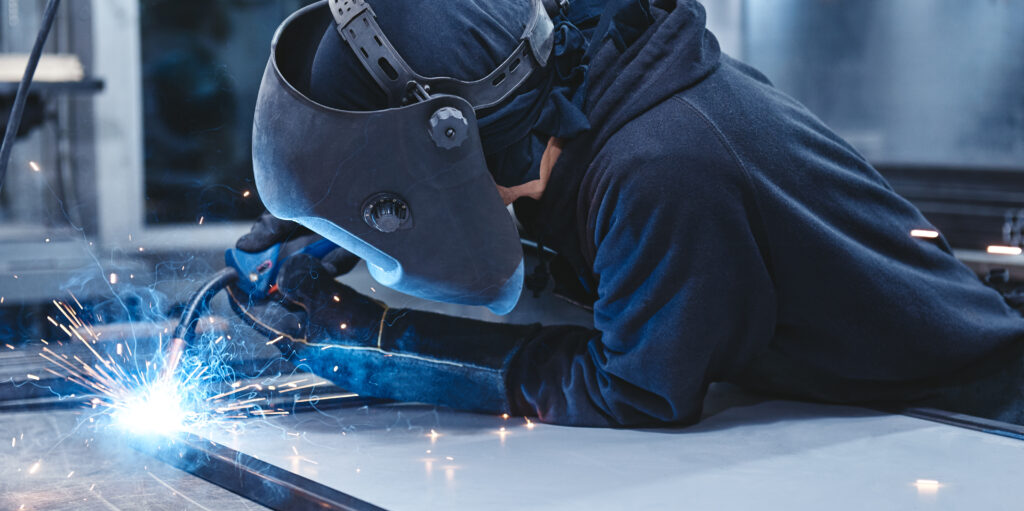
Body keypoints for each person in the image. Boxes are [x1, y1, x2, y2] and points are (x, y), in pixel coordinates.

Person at [229, 0, 1024, 427]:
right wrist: (330, 227)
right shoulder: (582, 103)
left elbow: (637, 393)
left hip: (961, 418)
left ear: (457, 139)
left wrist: (377, 341)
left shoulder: (661, 168)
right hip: (836, 411)